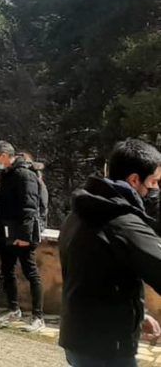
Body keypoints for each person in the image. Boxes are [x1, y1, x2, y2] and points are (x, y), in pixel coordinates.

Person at [59, 139, 161, 366]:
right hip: (106, 347)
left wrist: (138, 315)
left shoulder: (80, 213)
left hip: (79, 337)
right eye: (154, 182)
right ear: (134, 180)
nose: (156, 190)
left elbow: (94, 277)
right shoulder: (121, 222)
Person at [0, 140, 44, 331]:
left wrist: (24, 235)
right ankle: (13, 309)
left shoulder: (25, 175)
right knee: (7, 271)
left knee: (30, 272)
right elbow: (5, 202)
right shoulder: (7, 174)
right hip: (6, 230)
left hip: (23, 232)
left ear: (5, 155)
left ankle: (38, 317)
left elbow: (30, 206)